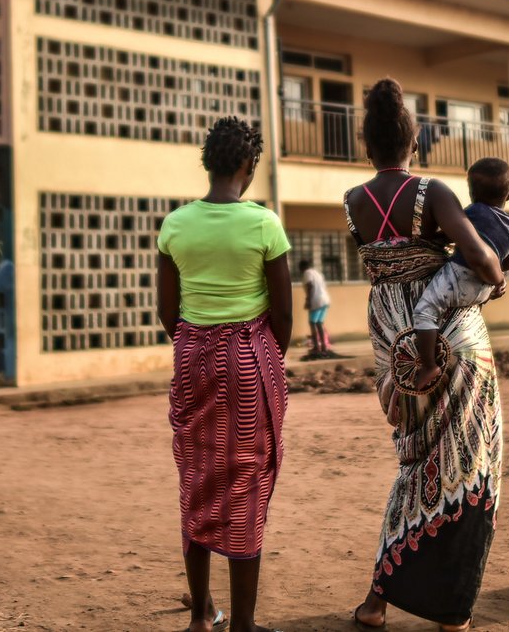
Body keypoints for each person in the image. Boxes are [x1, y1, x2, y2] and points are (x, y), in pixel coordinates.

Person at [344, 79, 506, 632]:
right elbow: (478, 254)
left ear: (368, 148)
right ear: (414, 146)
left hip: (394, 343)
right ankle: (450, 610)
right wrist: (496, 275)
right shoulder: (431, 191)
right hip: (448, 335)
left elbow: (376, 262)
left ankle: (377, 602)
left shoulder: (352, 202)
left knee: (413, 457)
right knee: (471, 461)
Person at [157, 117, 293, 632]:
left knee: (195, 478)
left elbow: (167, 312)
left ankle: (199, 616)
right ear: (247, 165)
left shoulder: (175, 225)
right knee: (246, 483)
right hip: (248, 358)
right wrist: (261, 356)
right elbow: (283, 316)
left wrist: (197, 342)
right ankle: (242, 623)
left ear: (208, 162)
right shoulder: (263, 224)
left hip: (191, 354)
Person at [411, 158, 509, 366]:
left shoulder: (472, 212)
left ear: (472, 193)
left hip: (457, 277)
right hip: (484, 290)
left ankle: (428, 365)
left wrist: (428, 237)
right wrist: (498, 277)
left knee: (425, 311)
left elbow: (447, 235)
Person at [300, 258, 334, 358]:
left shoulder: (307, 273)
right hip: (325, 300)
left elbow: (310, 286)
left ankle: (316, 347)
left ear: (302, 267)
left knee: (312, 323)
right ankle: (323, 346)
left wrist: (308, 300)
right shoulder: (317, 273)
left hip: (316, 301)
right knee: (319, 323)